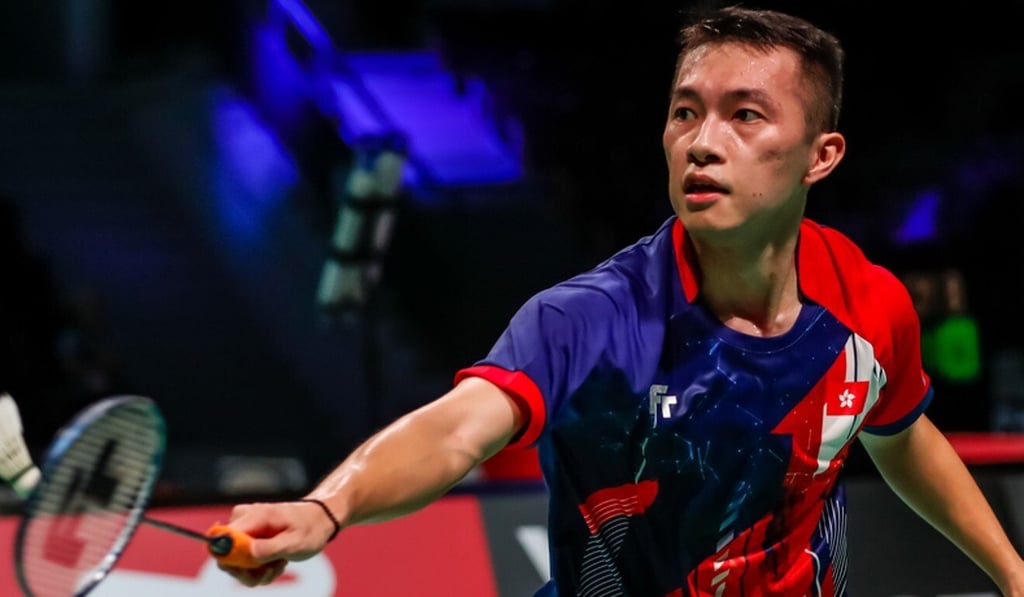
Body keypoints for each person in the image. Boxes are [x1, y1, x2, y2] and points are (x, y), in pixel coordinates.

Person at [217, 6, 1024, 595]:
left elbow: (898, 431)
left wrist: (1013, 572)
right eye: (685, 112)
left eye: (745, 115)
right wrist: (329, 507)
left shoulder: (867, 303)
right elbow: (457, 428)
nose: (702, 142)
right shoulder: (589, 318)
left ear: (822, 155)